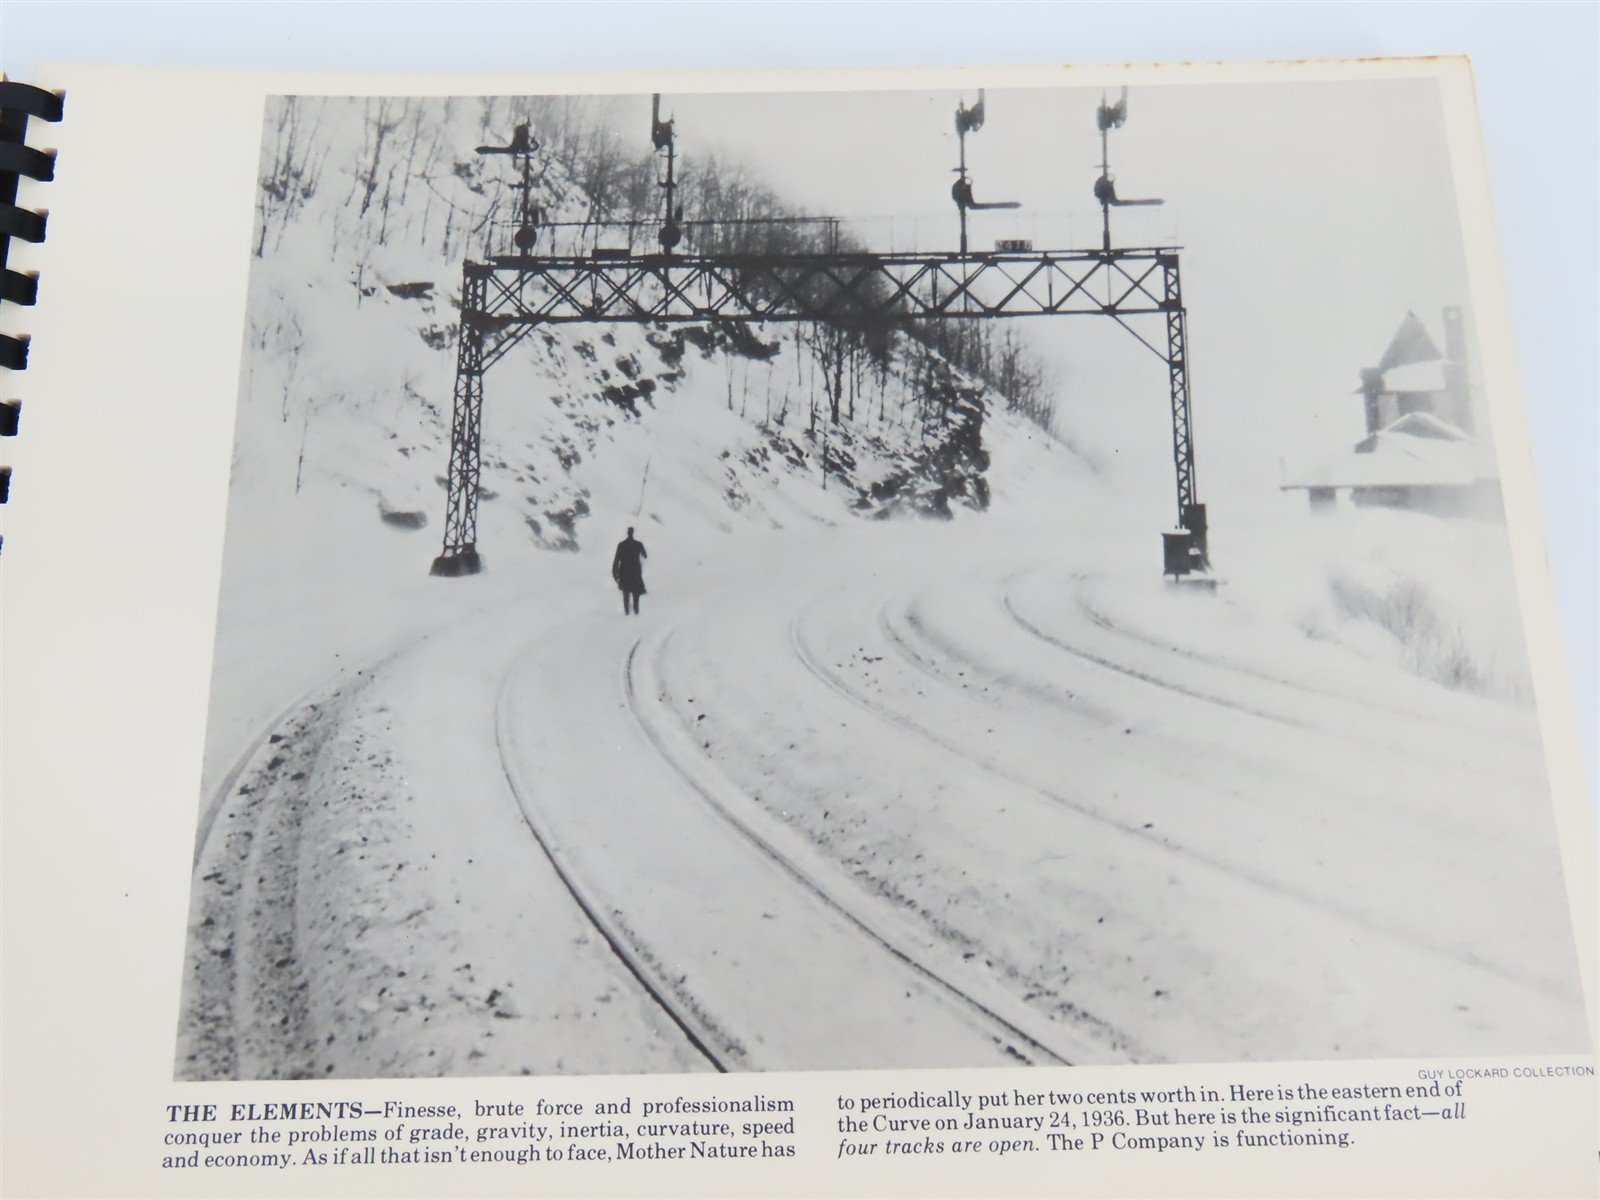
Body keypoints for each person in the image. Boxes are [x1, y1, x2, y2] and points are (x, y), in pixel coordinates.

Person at [612, 527, 648, 615]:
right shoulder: (638, 544)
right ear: (633, 533)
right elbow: (645, 555)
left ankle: (627, 613)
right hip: (634, 573)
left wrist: (615, 573)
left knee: (626, 595)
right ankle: (635, 612)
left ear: (627, 533)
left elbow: (616, 560)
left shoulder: (621, 545)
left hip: (625, 573)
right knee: (635, 595)